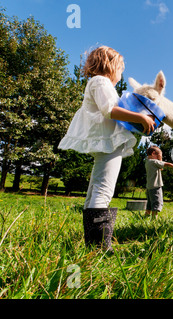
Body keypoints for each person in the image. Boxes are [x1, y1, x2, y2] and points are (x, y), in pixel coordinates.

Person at [58, 45, 156, 251]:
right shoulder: (101, 81)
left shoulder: (96, 82)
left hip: (104, 141)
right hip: (107, 142)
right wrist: (140, 117)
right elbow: (109, 110)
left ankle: (92, 243)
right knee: (103, 190)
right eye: (120, 68)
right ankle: (99, 247)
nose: (121, 74)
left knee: (95, 188)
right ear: (109, 65)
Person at [145, 146, 173, 218]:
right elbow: (167, 164)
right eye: (159, 156)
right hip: (155, 187)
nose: (159, 158)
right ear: (153, 153)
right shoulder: (154, 162)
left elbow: (160, 168)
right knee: (156, 203)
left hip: (149, 187)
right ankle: (154, 220)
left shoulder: (147, 161)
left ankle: (145, 217)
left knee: (149, 204)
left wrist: (159, 156)